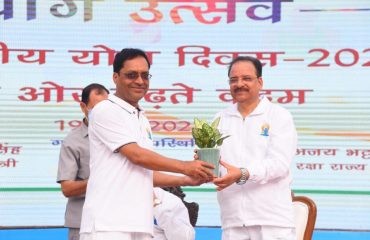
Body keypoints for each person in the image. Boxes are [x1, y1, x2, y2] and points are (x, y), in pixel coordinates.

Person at [80, 48, 214, 240]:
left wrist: (187, 179)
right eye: (131, 75)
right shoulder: (105, 110)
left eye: (145, 75)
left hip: (139, 224)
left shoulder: (141, 117)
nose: (140, 81)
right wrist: (185, 167)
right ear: (115, 77)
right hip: (107, 225)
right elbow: (137, 156)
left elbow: (143, 173)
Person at [212, 56, 298, 240]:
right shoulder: (220, 119)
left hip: (272, 222)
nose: (239, 84)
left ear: (260, 82)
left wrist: (242, 173)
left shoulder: (279, 116)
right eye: (233, 80)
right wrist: (203, 165)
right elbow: (215, 165)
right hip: (233, 221)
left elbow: (279, 164)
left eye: (246, 78)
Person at [57, 83, 109, 240]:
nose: (101, 114)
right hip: (83, 225)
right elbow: (67, 189)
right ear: (83, 107)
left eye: (105, 109)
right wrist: (102, 178)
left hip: (115, 222)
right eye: (96, 109)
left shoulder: (119, 137)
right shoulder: (72, 142)